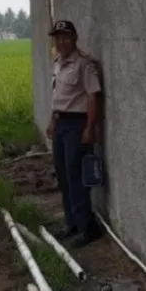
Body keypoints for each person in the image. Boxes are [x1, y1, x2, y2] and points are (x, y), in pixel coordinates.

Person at [46, 20, 103, 248]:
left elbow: (92, 96)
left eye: (65, 37)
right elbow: (57, 96)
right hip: (61, 124)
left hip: (77, 125)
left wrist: (90, 127)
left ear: (74, 38)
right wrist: (52, 121)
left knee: (76, 176)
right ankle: (71, 224)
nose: (61, 42)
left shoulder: (84, 64)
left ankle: (86, 227)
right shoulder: (58, 63)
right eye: (58, 38)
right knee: (63, 175)